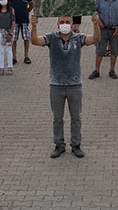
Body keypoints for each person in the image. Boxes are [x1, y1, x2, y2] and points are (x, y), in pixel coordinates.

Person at [31, 11, 101, 158]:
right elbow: (35, 41)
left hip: (75, 85)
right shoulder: (51, 38)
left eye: (67, 22)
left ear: (72, 24)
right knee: (57, 118)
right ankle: (59, 144)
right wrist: (34, 26)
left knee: (76, 118)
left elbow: (95, 39)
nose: (64, 25)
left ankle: (76, 144)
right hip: (56, 85)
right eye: (61, 22)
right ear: (57, 24)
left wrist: (95, 25)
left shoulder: (78, 38)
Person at [9, 0, 34, 65]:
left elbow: (31, 4)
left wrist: (27, 12)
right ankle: (14, 57)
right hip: (14, 20)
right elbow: (8, 5)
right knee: (13, 39)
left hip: (24, 20)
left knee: (26, 38)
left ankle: (26, 56)